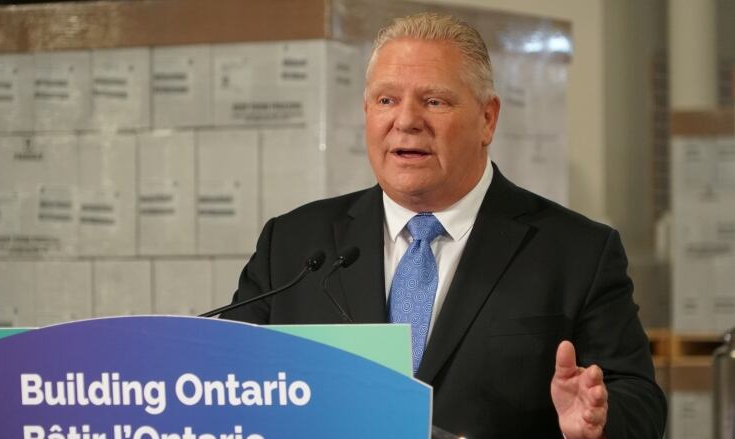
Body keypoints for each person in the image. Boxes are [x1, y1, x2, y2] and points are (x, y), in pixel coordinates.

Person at [221, 13, 666, 439]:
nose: (406, 120)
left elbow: (640, 401)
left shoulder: (577, 251)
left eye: (434, 101)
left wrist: (598, 421)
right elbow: (224, 375)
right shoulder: (294, 244)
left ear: (487, 119)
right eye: (386, 100)